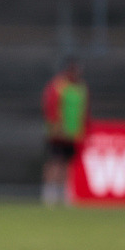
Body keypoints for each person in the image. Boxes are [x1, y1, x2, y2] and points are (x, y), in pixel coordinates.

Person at [41, 57, 89, 206]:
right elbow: (50, 107)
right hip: (58, 132)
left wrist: (83, 128)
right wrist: (56, 126)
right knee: (55, 162)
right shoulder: (58, 86)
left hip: (73, 132)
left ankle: (65, 193)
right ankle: (50, 193)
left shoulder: (81, 88)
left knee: (68, 164)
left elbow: (84, 110)